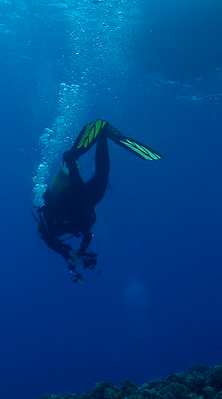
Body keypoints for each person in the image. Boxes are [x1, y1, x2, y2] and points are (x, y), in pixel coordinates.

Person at [33, 120, 161, 282]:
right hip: (86, 203)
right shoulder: (62, 231)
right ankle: (102, 137)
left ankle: (72, 159)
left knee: (81, 185)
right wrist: (79, 252)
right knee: (102, 176)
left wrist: (67, 255)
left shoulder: (48, 226)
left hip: (73, 198)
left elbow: (49, 240)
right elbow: (87, 236)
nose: (39, 234)